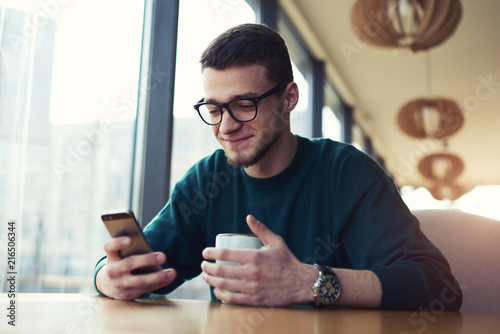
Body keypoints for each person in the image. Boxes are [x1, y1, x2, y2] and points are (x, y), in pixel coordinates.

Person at [94, 23, 462, 311]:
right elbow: (140, 269)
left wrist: (310, 282)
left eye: (243, 104)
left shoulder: (347, 173)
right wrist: (107, 279)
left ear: (289, 98)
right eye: (214, 109)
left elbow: (438, 287)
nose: (225, 126)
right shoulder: (207, 181)